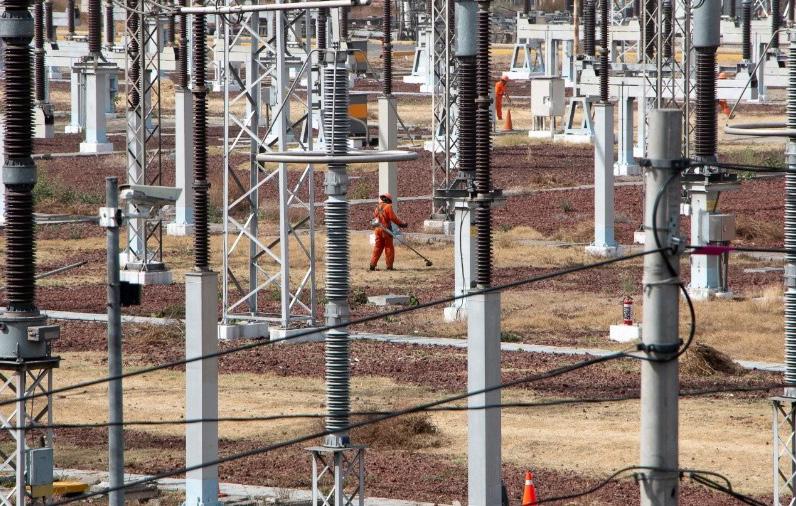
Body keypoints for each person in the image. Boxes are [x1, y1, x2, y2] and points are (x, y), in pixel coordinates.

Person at [369, 193, 407, 271]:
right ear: (389, 200)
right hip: (386, 230)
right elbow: (393, 218)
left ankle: (372, 265)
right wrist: (402, 224)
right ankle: (389, 266)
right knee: (389, 247)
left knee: (377, 247)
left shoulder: (378, 206)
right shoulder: (388, 207)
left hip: (377, 230)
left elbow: (375, 218)